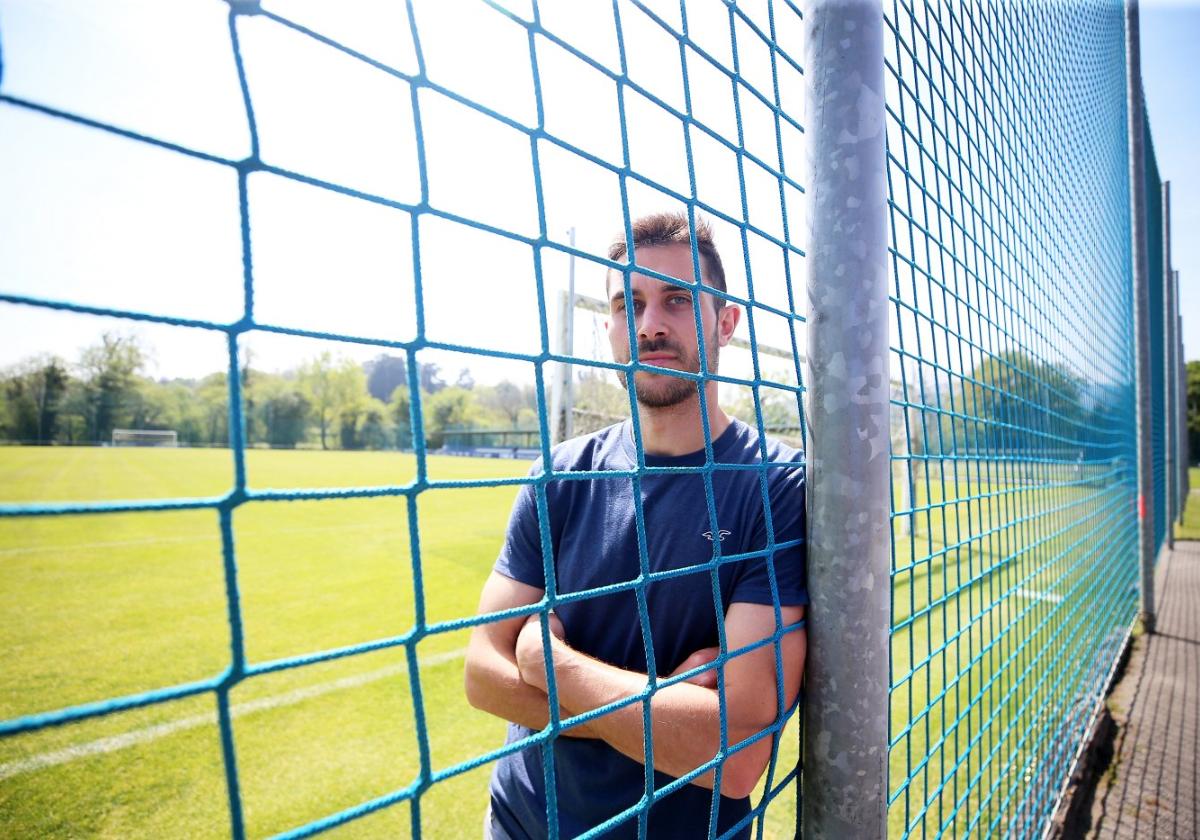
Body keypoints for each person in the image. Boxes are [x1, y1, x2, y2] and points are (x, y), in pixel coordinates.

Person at [464, 212, 808, 839]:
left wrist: (546, 659)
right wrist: (659, 704)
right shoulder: (561, 477)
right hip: (520, 824)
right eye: (631, 304)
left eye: (678, 300)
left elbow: (734, 757)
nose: (650, 325)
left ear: (725, 322)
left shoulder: (775, 488)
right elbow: (482, 675)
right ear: (612, 328)